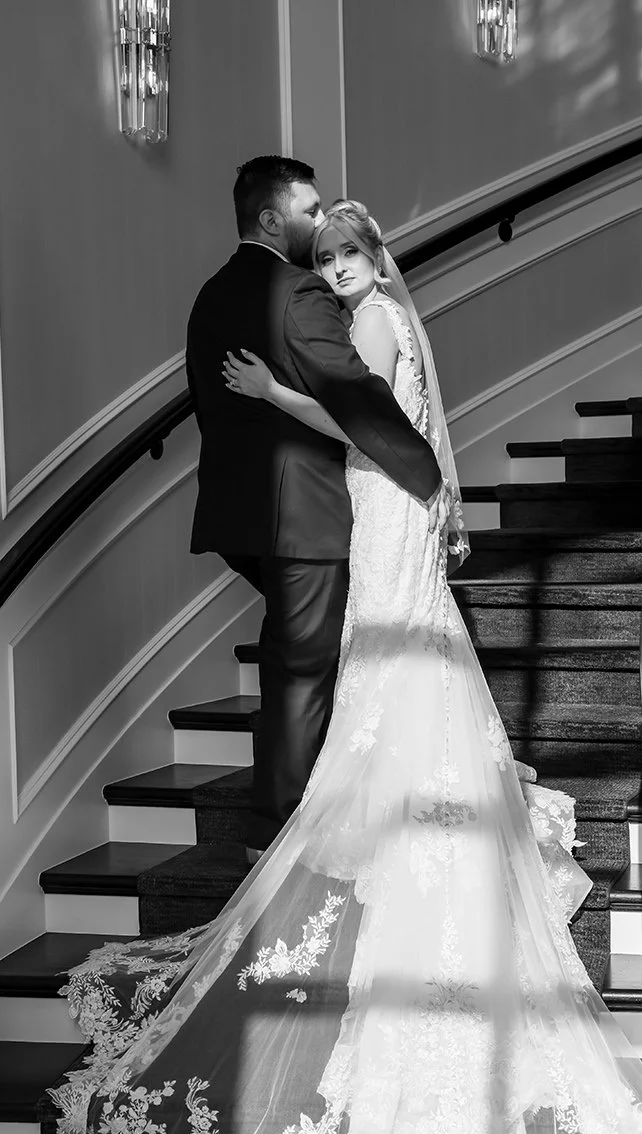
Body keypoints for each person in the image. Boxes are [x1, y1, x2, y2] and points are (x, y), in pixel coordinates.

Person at [43, 199, 642, 1134]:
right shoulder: (404, 325)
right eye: (325, 256)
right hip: (407, 514)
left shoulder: (370, 327)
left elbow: (366, 421)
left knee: (389, 678)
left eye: (348, 254)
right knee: (410, 675)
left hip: (386, 517)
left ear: (375, 258)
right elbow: (429, 431)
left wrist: (277, 398)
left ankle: (393, 844)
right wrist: (452, 503)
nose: (338, 269)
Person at [185, 156, 448, 862]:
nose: (317, 222)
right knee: (303, 669)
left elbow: (212, 411)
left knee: (299, 657)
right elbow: (356, 398)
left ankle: (332, 804)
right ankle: (276, 836)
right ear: (273, 218)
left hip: (243, 518)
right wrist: (425, 471)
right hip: (305, 517)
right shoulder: (298, 292)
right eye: (309, 211)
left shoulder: (210, 297)